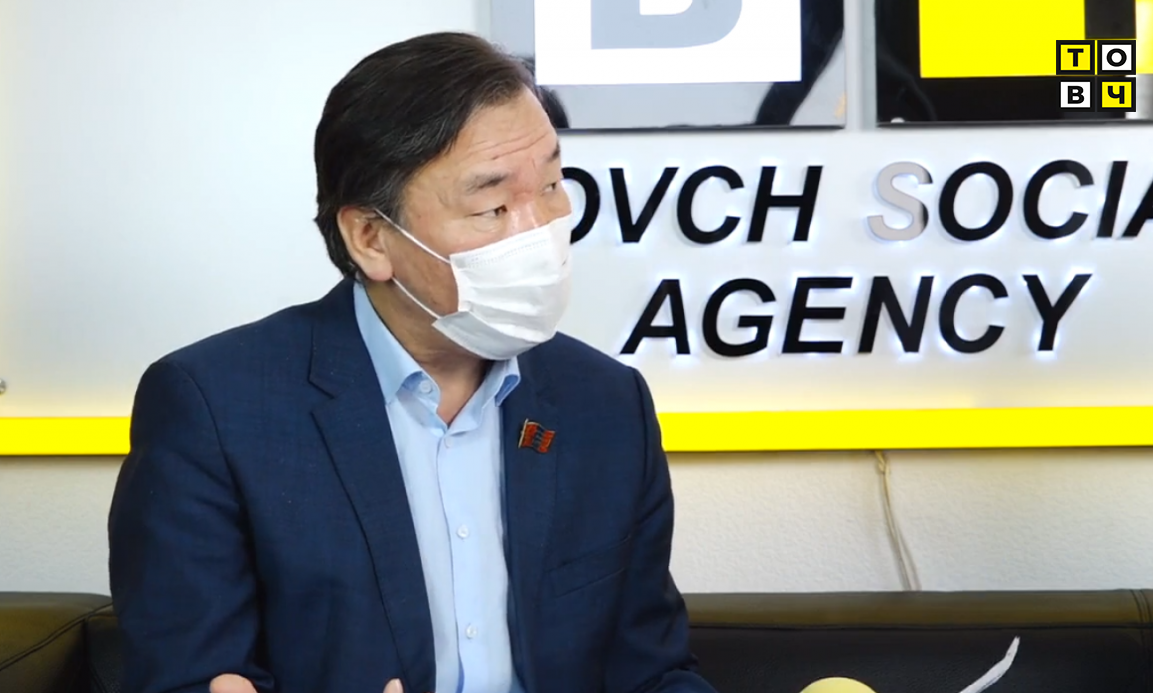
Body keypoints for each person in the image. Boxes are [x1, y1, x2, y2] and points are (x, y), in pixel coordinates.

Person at [108, 31, 715, 693]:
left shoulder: (607, 402)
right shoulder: (214, 410)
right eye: (491, 206)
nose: (538, 229)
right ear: (371, 238)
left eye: (550, 184)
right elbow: (189, 675)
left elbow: (651, 672)